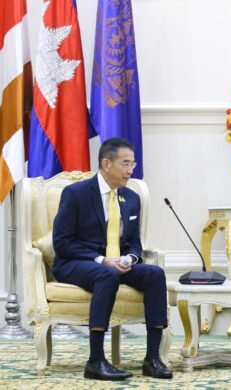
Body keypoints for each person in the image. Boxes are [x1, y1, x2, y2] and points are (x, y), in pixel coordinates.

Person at [52, 137, 172, 381]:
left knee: (155, 274)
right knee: (106, 274)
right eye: (126, 163)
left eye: (133, 163)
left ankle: (152, 358)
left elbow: (134, 242)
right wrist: (101, 260)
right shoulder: (76, 194)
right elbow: (62, 242)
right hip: (76, 263)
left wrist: (129, 257)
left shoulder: (131, 198)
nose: (131, 170)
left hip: (116, 263)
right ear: (107, 164)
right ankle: (95, 361)